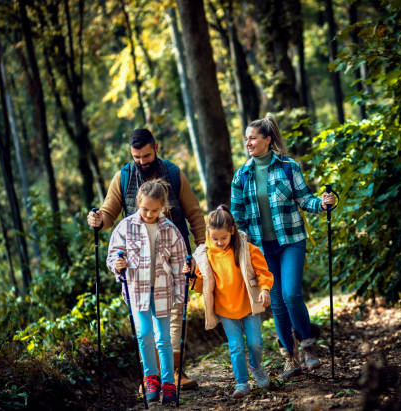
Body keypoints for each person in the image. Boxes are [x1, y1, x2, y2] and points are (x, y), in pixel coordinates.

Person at [87, 128, 204, 389]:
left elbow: (194, 212)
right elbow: (109, 211)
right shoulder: (124, 177)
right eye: (137, 156)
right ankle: (152, 377)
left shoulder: (173, 173)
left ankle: (173, 374)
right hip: (138, 266)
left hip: (173, 257)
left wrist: (201, 248)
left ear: (156, 147)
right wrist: (98, 220)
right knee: (146, 327)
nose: (142, 161)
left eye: (146, 155)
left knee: (173, 317)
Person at [230, 116, 336, 380]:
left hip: (291, 239)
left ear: (267, 139)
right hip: (261, 248)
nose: (248, 142)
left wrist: (322, 204)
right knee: (276, 302)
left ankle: (308, 346)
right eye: (246, 138)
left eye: (253, 138)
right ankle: (290, 357)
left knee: (291, 295)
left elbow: (304, 198)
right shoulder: (241, 175)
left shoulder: (289, 167)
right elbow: (237, 213)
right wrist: (237, 237)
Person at [106, 180, 187, 404]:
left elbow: (180, 262)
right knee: (144, 334)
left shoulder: (170, 229)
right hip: (136, 290)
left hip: (162, 290)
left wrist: (182, 293)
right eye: (145, 209)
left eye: (155, 210)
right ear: (137, 204)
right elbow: (113, 255)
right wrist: (117, 264)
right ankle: (151, 378)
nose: (149, 214)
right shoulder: (125, 226)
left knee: (163, 338)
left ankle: (169, 382)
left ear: (163, 207)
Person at [184, 205, 274, 399]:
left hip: (248, 304)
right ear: (209, 234)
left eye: (223, 238)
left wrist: (265, 289)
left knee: (255, 342)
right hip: (224, 308)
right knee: (236, 346)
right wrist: (191, 277)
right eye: (214, 239)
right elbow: (202, 285)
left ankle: (257, 367)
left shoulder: (247, 248)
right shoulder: (205, 255)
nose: (219, 242)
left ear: (232, 231)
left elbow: (263, 272)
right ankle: (242, 383)